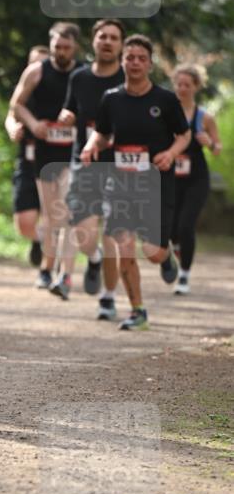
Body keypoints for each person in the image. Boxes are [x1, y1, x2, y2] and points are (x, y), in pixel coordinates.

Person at [81, 35, 191, 330]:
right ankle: (138, 311)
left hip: (156, 184)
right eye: (130, 57)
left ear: (150, 64)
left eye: (142, 58)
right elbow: (102, 133)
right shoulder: (112, 98)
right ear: (123, 61)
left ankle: (166, 258)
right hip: (121, 184)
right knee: (124, 245)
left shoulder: (165, 100)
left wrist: (171, 153)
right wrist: (92, 145)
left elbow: (184, 135)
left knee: (153, 252)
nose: (135, 63)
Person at [51, 19, 125, 317]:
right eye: (102, 36)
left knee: (114, 232)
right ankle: (93, 258)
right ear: (93, 42)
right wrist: (67, 115)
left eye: (114, 38)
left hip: (121, 165)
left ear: (121, 44)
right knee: (82, 230)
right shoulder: (79, 78)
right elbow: (70, 107)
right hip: (84, 161)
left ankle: (108, 297)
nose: (107, 42)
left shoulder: (127, 78)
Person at [11, 23, 80, 289]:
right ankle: (46, 269)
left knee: (69, 211)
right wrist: (33, 123)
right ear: (51, 46)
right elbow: (16, 104)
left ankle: (65, 274)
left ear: (75, 47)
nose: (61, 52)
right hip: (45, 152)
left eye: (66, 48)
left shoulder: (83, 74)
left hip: (74, 152)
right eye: (57, 48)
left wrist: (76, 117)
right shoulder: (37, 71)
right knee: (52, 216)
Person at [170, 65, 222, 295]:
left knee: (186, 225)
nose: (182, 89)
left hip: (196, 177)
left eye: (187, 85)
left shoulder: (204, 116)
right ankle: (178, 249)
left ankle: (184, 275)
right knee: (171, 228)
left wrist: (208, 143)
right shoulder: (167, 112)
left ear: (196, 87)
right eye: (179, 84)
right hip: (171, 175)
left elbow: (218, 148)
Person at [5, 45, 49, 268]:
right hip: (28, 159)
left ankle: (52, 268)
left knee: (55, 216)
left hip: (56, 162)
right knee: (24, 223)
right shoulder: (23, 89)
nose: (36, 68)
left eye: (42, 63)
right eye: (33, 62)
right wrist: (12, 128)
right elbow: (11, 115)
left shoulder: (62, 89)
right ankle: (37, 239)